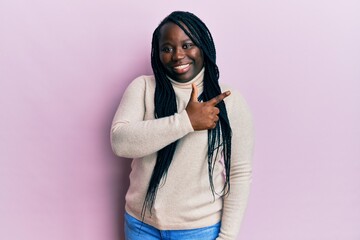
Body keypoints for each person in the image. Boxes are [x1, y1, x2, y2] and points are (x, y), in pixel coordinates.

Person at [111, 10, 254, 240]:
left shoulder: (229, 101)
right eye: (167, 48)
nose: (178, 55)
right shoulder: (143, 88)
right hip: (140, 225)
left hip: (199, 230)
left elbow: (238, 173)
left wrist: (227, 237)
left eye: (187, 45)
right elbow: (120, 142)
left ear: (203, 47)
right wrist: (186, 121)